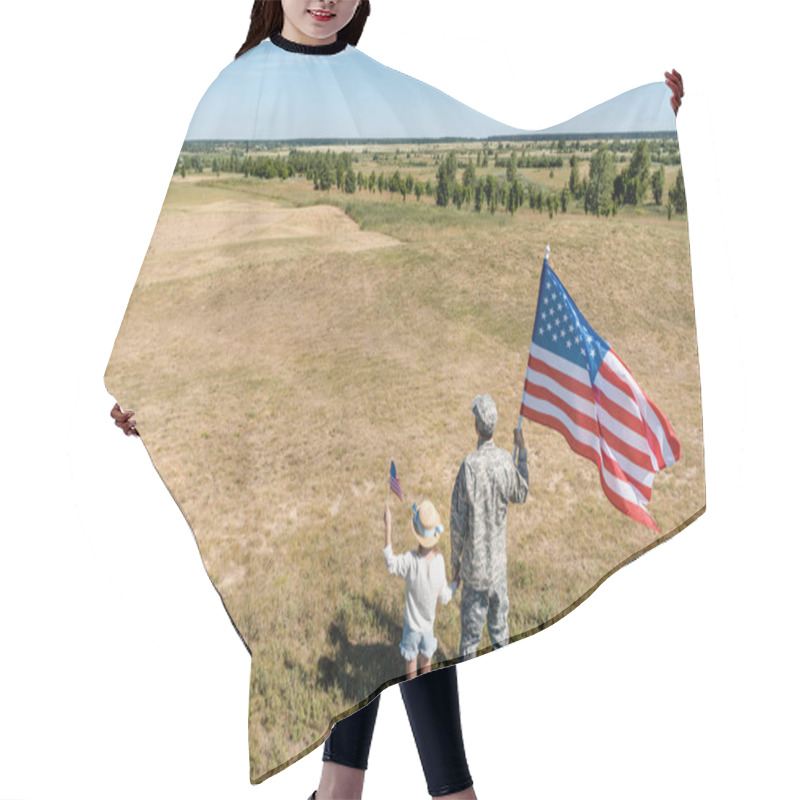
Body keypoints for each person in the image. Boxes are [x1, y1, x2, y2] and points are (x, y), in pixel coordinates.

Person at [108, 2, 686, 796]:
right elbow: (192, 252)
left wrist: (642, 124)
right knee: (379, 597)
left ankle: (361, 791)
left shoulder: (376, 85)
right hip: (300, 407)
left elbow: (500, 160)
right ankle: (416, 791)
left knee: (409, 591)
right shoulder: (232, 91)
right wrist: (154, 382)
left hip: (372, 404)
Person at [450, 395, 529, 659]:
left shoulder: (469, 467)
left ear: (476, 426)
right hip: (497, 571)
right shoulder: (506, 460)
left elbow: (457, 521)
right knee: (500, 636)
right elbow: (522, 492)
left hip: (474, 573)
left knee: (470, 644)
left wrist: (454, 562)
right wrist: (522, 454)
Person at [383, 499, 459, 680]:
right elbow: (445, 597)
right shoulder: (439, 563)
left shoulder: (410, 561)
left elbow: (391, 563)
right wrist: (456, 583)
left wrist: (388, 526)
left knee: (411, 671)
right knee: (427, 666)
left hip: (411, 629)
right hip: (427, 629)